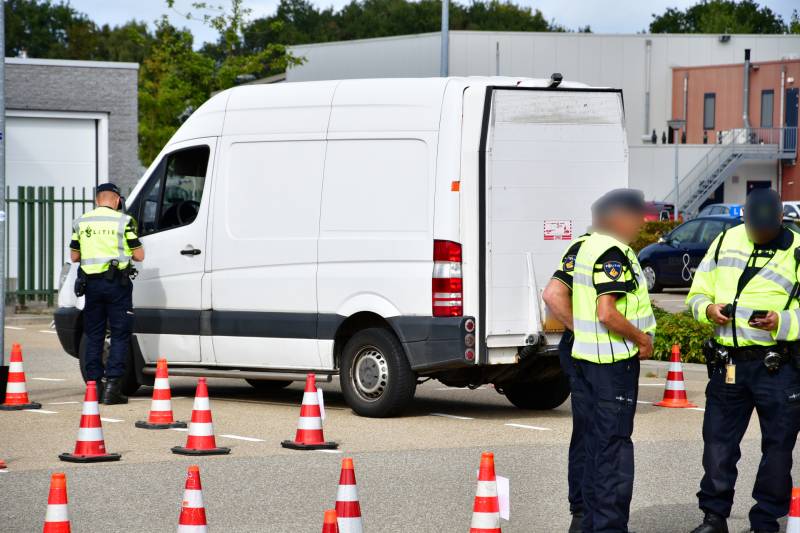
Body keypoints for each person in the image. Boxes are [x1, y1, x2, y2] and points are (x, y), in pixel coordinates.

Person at [687, 188, 800, 533]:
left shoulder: (797, 250)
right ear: (745, 219)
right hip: (729, 364)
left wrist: (780, 322)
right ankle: (714, 517)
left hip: (777, 365)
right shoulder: (725, 241)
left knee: (777, 449)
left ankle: (765, 521)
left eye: (767, 228)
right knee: (718, 444)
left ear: (781, 219)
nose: (759, 234)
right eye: (754, 227)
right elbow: (697, 293)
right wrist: (708, 309)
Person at [571, 188, 655, 533]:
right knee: (613, 450)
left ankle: (588, 522)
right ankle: (609, 527)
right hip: (613, 363)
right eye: (636, 218)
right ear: (618, 217)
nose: (640, 225)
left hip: (586, 360)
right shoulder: (612, 252)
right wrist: (641, 338)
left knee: (592, 446)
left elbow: (554, 294)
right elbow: (607, 312)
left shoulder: (584, 246)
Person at [70, 183, 144, 405]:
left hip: (91, 286)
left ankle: (93, 387)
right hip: (117, 287)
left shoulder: (81, 222)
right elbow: (139, 255)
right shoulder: (124, 222)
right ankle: (113, 387)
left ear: (96, 200)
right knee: (120, 335)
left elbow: (74, 256)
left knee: (94, 335)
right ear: (118, 200)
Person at [543, 232, 591, 533]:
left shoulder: (591, 247)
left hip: (589, 350)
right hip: (589, 353)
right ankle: (584, 512)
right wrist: (585, 330)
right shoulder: (588, 248)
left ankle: (586, 512)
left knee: (590, 433)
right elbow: (552, 294)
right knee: (592, 434)